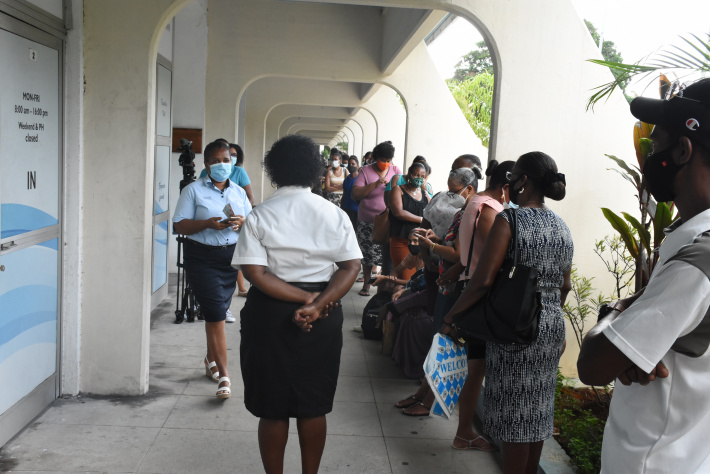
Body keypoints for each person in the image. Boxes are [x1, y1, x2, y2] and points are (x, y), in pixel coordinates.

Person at [577, 78, 710, 473]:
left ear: (683, 150)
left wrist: (616, 314)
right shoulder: (692, 244)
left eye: (656, 145)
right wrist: (634, 333)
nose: (649, 157)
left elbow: (593, 366)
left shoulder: (698, 261)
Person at [233, 134, 362, 474]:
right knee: (312, 404)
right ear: (316, 172)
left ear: (274, 171)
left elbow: (256, 274)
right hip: (324, 311)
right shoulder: (334, 215)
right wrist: (317, 303)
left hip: (270, 313)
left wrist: (307, 301)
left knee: (272, 408)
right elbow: (351, 267)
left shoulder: (259, 216)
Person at [442, 151, 572, 474]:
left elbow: (483, 280)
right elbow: (565, 286)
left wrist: (452, 315)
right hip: (552, 328)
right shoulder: (562, 227)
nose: (510, 183)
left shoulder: (509, 220)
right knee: (539, 411)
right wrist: (549, 315)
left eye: (514, 177)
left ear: (523, 180)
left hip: (516, 328)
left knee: (515, 416)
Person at [436, 160, 515, 449]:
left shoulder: (475, 202)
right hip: (481, 293)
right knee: (475, 367)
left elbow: (470, 252)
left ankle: (464, 430)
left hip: (468, 285)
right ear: (506, 186)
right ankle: (464, 431)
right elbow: (495, 252)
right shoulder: (489, 209)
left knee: (474, 365)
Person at [172, 140, 252, 399]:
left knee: (214, 312)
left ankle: (210, 360)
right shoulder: (193, 190)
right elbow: (179, 226)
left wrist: (241, 223)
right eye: (216, 161)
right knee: (216, 314)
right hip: (201, 258)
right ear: (206, 164)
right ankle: (225, 377)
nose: (222, 165)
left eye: (226, 160)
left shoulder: (238, 192)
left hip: (229, 259)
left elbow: (251, 226)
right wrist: (206, 223)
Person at [351, 141, 402, 296]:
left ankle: (384, 284)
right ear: (375, 158)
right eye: (383, 160)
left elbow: (403, 189)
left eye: (388, 160)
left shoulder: (395, 170)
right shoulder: (365, 171)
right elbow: (355, 194)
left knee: (387, 254)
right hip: (368, 220)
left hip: (388, 221)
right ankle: (366, 284)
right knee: (367, 254)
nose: (386, 163)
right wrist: (374, 185)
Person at [389, 162, 430, 280]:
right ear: (409, 175)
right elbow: (398, 212)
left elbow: (431, 213)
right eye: (416, 175)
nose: (419, 178)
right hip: (401, 240)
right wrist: (421, 219)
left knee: (416, 279)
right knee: (404, 277)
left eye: (422, 176)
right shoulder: (398, 190)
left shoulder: (424, 194)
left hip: (419, 243)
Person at [341, 155, 360, 231]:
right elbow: (344, 194)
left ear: (357, 166)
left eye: (353, 164)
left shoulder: (360, 179)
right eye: (349, 164)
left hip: (356, 210)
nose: (351, 166)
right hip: (346, 209)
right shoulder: (346, 179)